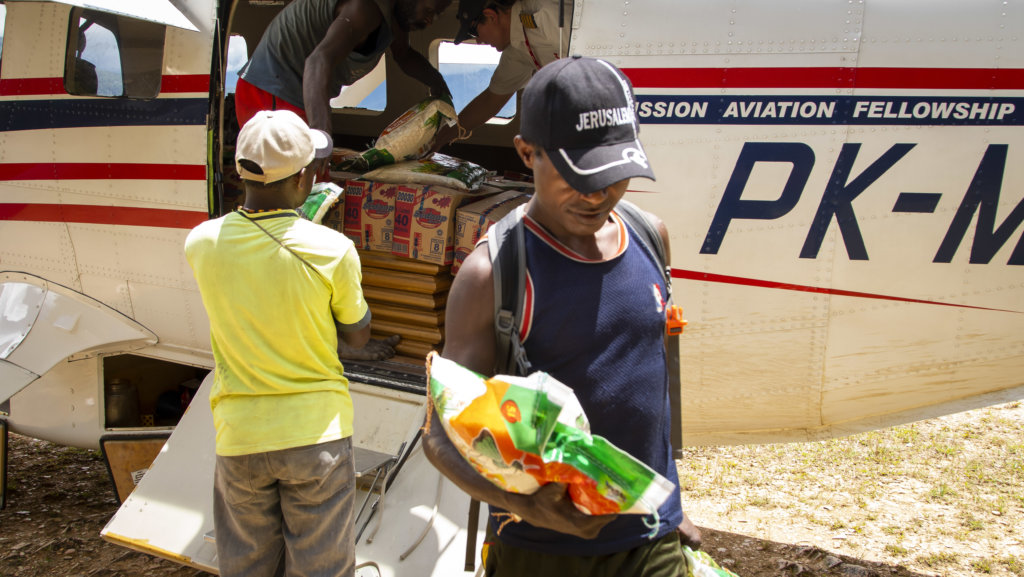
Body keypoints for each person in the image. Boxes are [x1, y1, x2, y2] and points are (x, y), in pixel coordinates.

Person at [422, 56, 702, 577]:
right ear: (527, 153)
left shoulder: (650, 237)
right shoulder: (493, 274)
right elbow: (438, 438)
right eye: (579, 175)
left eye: (614, 173)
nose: (598, 194)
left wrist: (669, 505)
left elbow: (651, 377)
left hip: (649, 542)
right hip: (540, 553)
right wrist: (527, 507)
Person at [185, 109, 374, 577]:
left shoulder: (202, 242)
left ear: (240, 169)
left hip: (240, 436)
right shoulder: (331, 250)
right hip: (316, 437)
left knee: (247, 565)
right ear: (304, 180)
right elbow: (357, 334)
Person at [236, 0, 454, 170]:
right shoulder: (365, 8)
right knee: (289, 183)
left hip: (295, 93)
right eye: (430, 10)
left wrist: (440, 87)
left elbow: (404, 56)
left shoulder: (393, 17)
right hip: (271, 90)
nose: (431, 20)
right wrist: (321, 137)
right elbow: (318, 60)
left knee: (309, 185)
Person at [430, 0, 570, 150]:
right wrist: (438, 140)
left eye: (474, 32)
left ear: (491, 16)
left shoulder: (543, 12)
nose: (478, 40)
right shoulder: (517, 51)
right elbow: (489, 102)